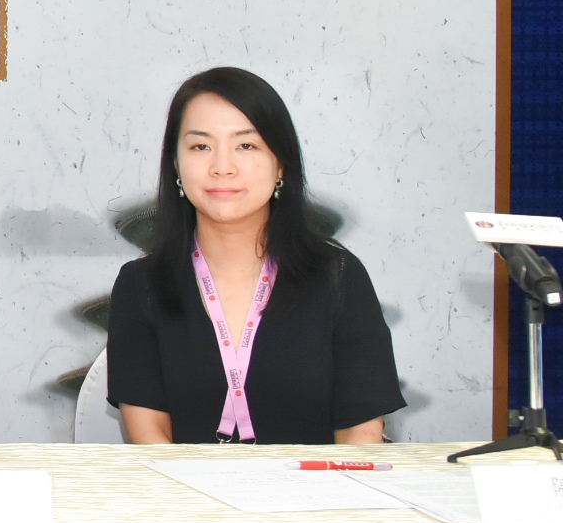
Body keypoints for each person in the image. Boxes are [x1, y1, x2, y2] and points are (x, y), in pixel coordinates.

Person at [105, 67, 404, 445]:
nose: (222, 167)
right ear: (176, 165)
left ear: (281, 164)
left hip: (319, 484)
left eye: (246, 145)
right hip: (182, 484)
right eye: (200, 147)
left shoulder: (338, 277)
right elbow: (149, 438)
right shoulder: (141, 286)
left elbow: (361, 436)